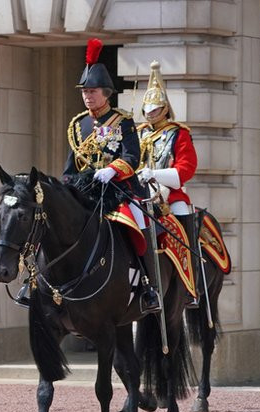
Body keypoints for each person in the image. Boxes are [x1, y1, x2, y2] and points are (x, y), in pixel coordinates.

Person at [61, 38, 160, 314]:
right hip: (86, 190)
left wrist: (112, 170)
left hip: (118, 190)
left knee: (139, 222)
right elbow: (72, 165)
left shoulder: (123, 121)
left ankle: (148, 286)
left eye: (92, 91)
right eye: (84, 91)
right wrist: (65, 188)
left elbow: (132, 157)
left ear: (106, 93)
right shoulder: (78, 124)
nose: (87, 96)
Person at [136, 61, 200, 308]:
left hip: (170, 196)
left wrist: (156, 174)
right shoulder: (139, 133)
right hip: (140, 193)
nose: (150, 113)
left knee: (183, 219)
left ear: (164, 109)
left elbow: (186, 169)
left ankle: (190, 285)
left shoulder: (178, 133)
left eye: (155, 109)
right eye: (148, 108)